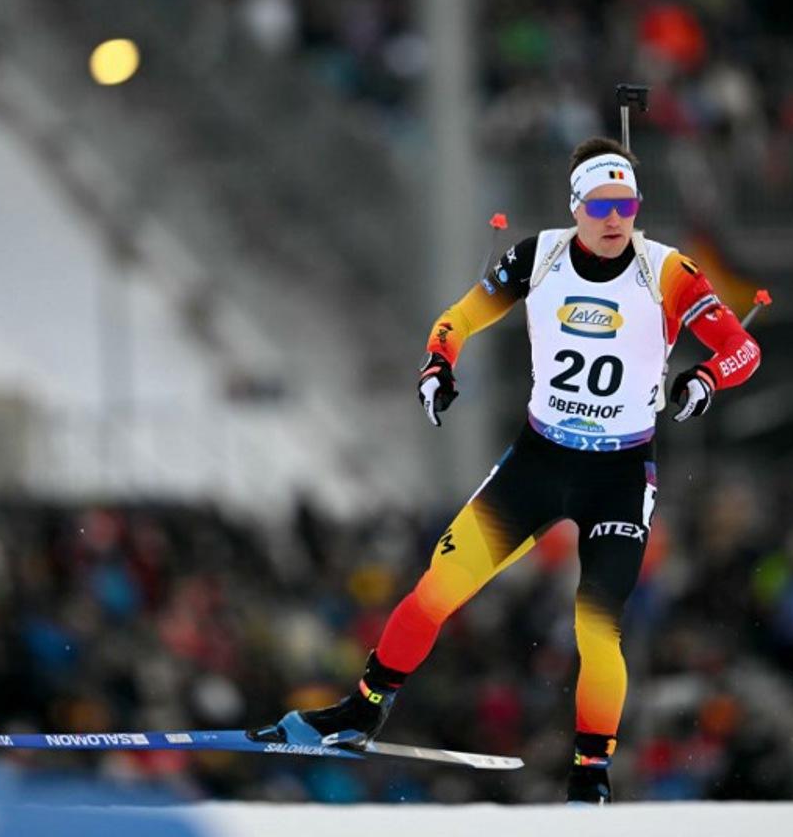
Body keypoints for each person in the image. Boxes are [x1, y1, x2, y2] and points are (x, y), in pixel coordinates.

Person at [255, 137, 763, 803]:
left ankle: (590, 775)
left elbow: (742, 347)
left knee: (596, 627)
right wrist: (438, 366)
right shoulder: (538, 256)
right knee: (439, 587)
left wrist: (704, 379)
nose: (615, 218)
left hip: (619, 473)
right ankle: (361, 710)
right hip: (539, 460)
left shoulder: (667, 270)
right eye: (600, 204)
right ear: (575, 205)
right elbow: (457, 319)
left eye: (627, 203)